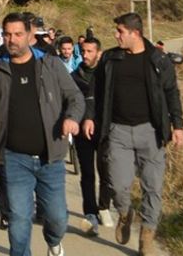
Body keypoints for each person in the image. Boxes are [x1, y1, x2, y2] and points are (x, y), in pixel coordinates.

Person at [0, 13, 83, 256]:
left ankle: (54, 242)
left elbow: (75, 97)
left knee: (57, 218)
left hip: (50, 158)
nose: (12, 39)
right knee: (19, 221)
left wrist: (72, 118)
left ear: (30, 36)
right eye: (7, 34)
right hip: (14, 159)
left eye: (18, 34)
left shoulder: (50, 66)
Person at [87, 13, 183, 256]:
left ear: (135, 33)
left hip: (150, 133)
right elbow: (95, 91)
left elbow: (172, 93)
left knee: (153, 187)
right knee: (118, 186)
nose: (116, 35)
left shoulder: (158, 59)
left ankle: (147, 236)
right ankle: (124, 212)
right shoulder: (110, 58)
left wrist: (178, 126)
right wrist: (90, 116)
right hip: (118, 132)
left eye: (120, 31)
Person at [71, 36, 112, 237]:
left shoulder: (107, 76)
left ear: (98, 53)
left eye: (89, 51)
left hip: (104, 131)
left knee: (106, 171)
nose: (85, 55)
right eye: (83, 51)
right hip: (82, 133)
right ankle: (90, 213)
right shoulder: (74, 76)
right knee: (87, 174)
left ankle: (104, 206)